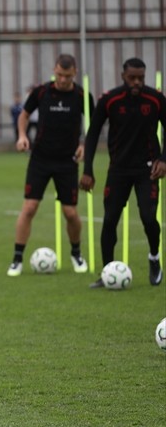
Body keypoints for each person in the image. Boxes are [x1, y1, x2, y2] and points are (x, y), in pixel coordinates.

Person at [80, 57, 166, 288]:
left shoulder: (156, 98)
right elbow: (93, 134)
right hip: (117, 170)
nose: (136, 82)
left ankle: (154, 257)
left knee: (149, 218)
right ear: (123, 76)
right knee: (109, 221)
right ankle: (107, 271)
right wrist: (87, 170)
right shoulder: (110, 100)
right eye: (132, 78)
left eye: (141, 78)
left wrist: (164, 159)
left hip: (148, 170)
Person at [6, 54, 91, 277]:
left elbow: (94, 124)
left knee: (70, 212)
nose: (63, 80)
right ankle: (17, 259)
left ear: (75, 72)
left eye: (67, 76)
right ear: (54, 70)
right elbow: (23, 115)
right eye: (59, 75)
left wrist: (84, 144)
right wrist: (22, 136)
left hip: (67, 161)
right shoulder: (42, 92)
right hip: (40, 159)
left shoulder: (82, 95)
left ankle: (76, 254)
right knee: (29, 208)